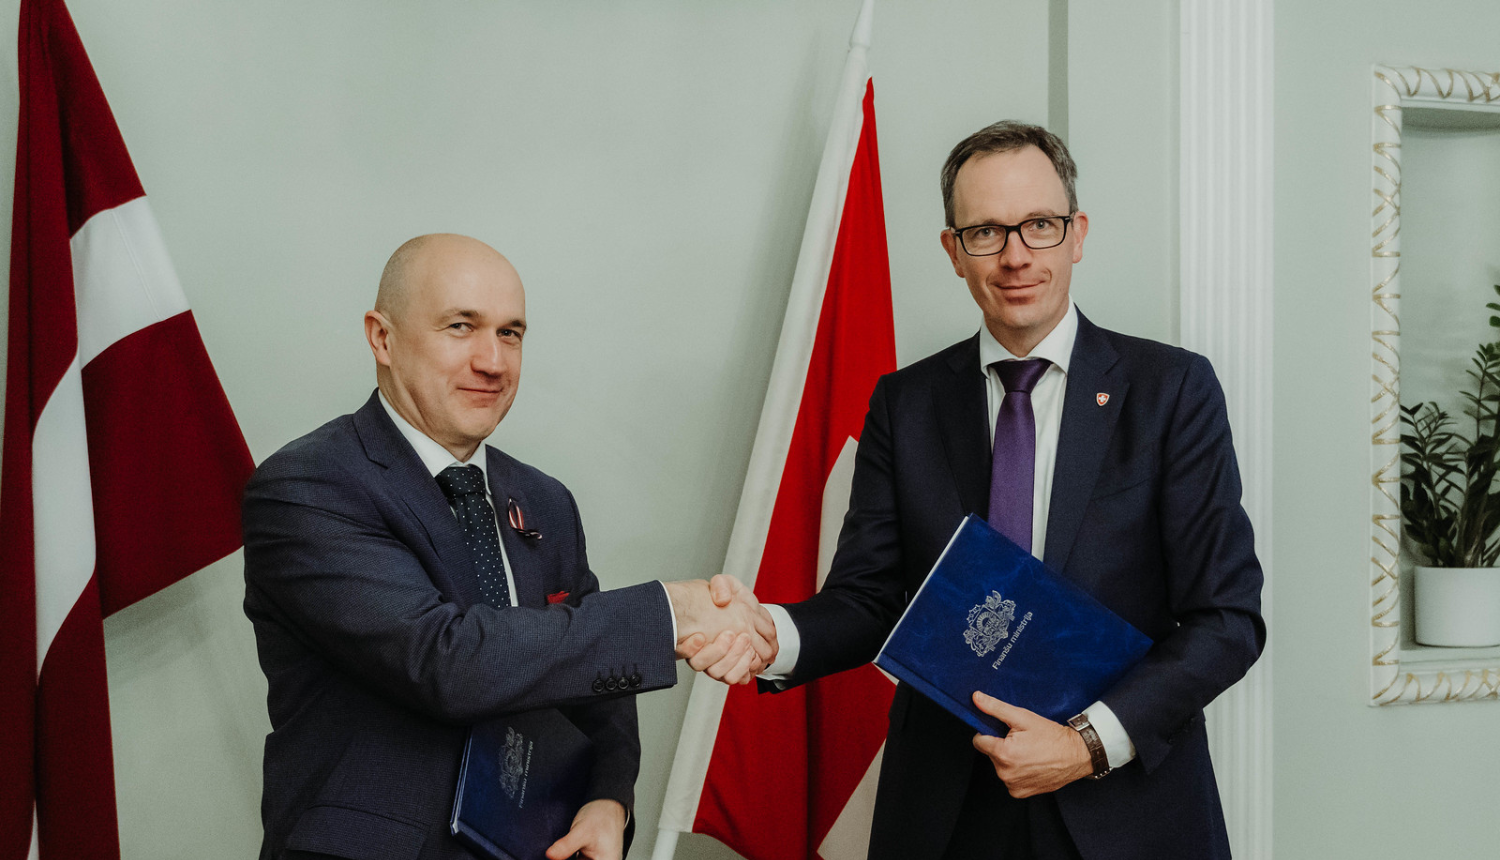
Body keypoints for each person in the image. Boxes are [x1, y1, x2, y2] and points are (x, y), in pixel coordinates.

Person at [710, 122, 1266, 859]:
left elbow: (1226, 619)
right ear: (953, 251)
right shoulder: (905, 404)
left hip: (1125, 810)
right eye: (985, 232)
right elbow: (871, 599)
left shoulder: (1172, 391)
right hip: (946, 811)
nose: (1015, 256)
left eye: (1039, 225)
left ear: (1076, 234)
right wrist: (770, 635)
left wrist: (1085, 743)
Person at [242, 234, 773, 860]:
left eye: (510, 333)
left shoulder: (545, 499)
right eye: (461, 326)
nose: (492, 361)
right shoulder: (307, 487)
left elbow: (590, 677)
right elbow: (446, 661)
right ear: (382, 338)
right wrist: (672, 613)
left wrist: (608, 797)